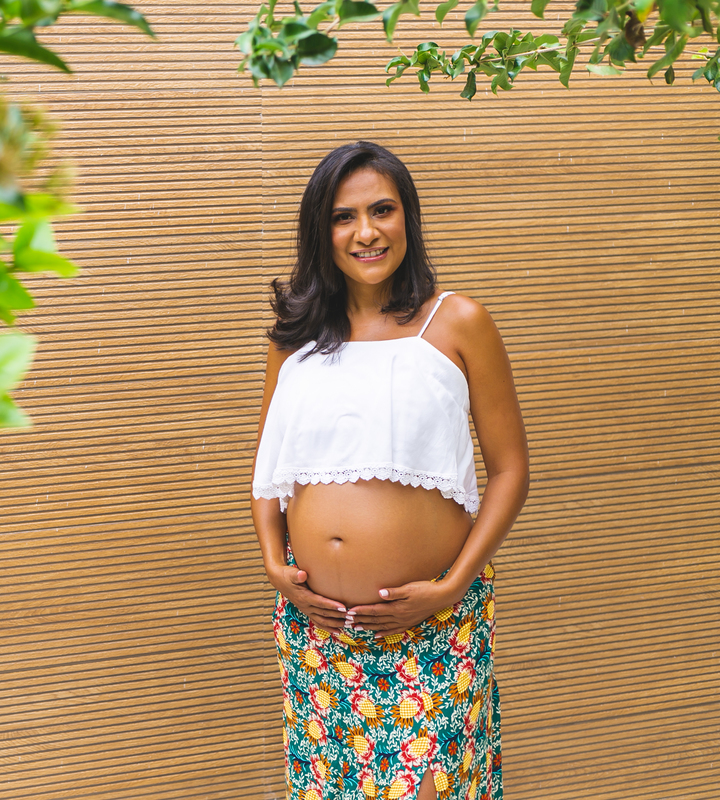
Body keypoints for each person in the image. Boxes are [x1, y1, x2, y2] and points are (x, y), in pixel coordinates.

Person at [250, 141, 529, 800]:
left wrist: (451, 585)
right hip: (321, 631)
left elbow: (512, 469)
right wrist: (273, 564)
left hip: (433, 622)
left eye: (383, 210)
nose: (366, 231)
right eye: (344, 216)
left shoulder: (457, 321)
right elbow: (269, 466)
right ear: (322, 230)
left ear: (409, 218)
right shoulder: (294, 337)